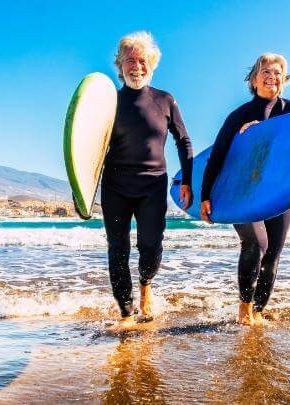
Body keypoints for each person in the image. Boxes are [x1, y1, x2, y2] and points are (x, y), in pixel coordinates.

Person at [201, 53, 290, 326]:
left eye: (278, 72)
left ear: (285, 79)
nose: (272, 76)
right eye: (265, 71)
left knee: (273, 255)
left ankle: (258, 312)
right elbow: (219, 156)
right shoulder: (239, 116)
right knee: (256, 244)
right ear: (254, 79)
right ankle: (244, 311)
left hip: (278, 191)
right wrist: (206, 196)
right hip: (244, 191)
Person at [102, 32, 193, 331]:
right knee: (118, 249)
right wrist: (82, 191)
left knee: (151, 246)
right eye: (130, 61)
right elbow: (89, 147)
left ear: (151, 64)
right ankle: (127, 314)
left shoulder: (164, 100)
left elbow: (183, 141)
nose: (136, 67)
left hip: (153, 185)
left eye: (142, 61)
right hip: (115, 184)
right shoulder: (109, 103)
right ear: (120, 65)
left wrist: (187, 181)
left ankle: (146, 283)